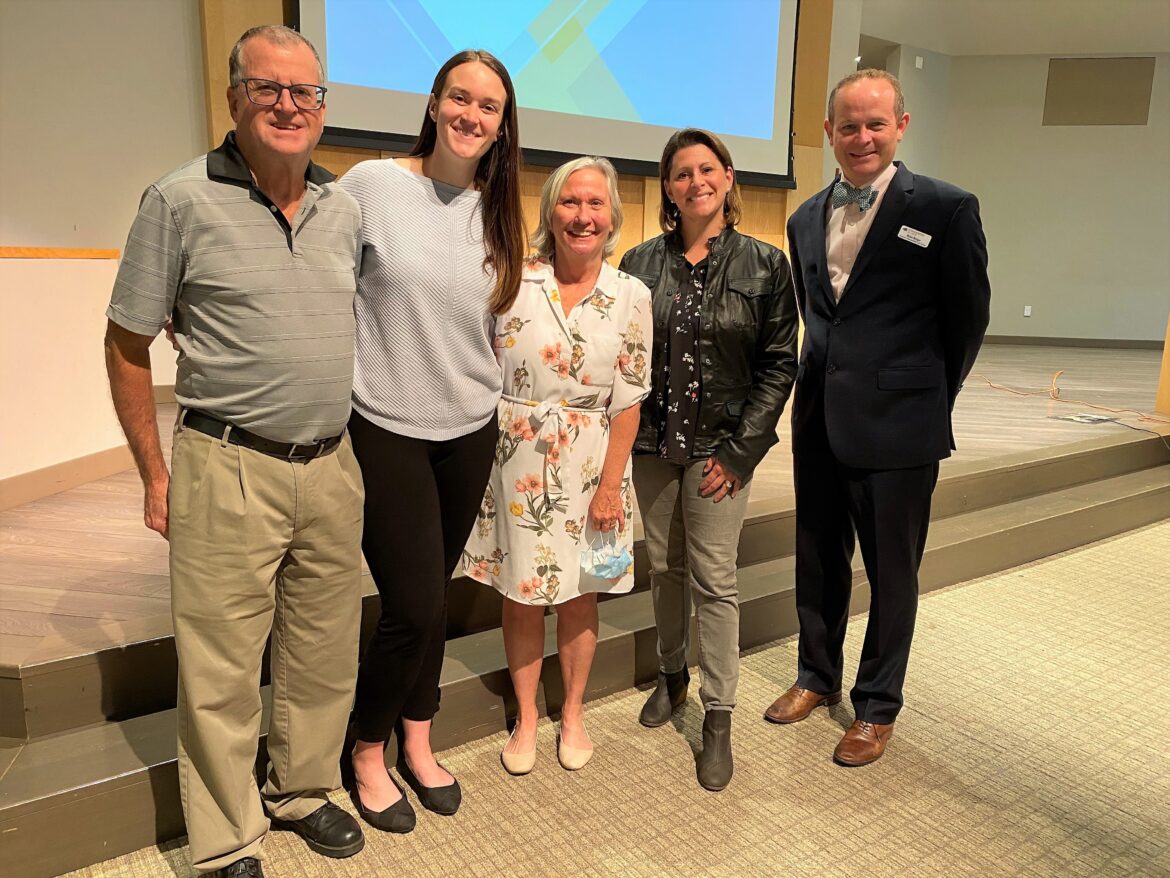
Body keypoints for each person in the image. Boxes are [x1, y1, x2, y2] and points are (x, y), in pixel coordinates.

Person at [104, 26, 365, 878]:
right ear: (234, 99)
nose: (287, 105)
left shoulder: (344, 208)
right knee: (219, 663)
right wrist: (155, 471)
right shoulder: (177, 201)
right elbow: (126, 341)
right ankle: (225, 839)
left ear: (323, 108)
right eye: (268, 88)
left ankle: (298, 792)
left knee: (321, 648)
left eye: (304, 92)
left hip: (332, 465)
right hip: (227, 462)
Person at [767, 70, 990, 766]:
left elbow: (968, 319)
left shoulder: (947, 209)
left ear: (901, 125)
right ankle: (815, 675)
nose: (862, 137)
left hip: (901, 426)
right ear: (829, 132)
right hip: (819, 420)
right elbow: (820, 316)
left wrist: (926, 398)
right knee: (817, 558)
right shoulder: (804, 217)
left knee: (892, 572)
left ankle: (876, 706)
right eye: (848, 125)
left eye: (875, 124)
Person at [336, 49, 525, 830]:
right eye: (460, 97)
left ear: (502, 126)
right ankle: (366, 748)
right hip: (384, 423)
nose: (471, 115)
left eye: (488, 106)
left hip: (469, 428)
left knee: (437, 599)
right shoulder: (374, 186)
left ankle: (419, 737)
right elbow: (315, 279)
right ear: (434, 101)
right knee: (410, 605)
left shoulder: (499, 211)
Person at [619, 129, 799, 791]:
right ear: (667, 187)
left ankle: (718, 715)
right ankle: (672, 679)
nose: (694, 182)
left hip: (721, 448)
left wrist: (744, 450)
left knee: (713, 577)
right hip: (652, 446)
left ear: (727, 176)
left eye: (706, 169)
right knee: (664, 567)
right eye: (680, 173)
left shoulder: (765, 265)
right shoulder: (638, 264)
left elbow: (779, 366)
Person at [462, 156, 652, 775]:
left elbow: (628, 401)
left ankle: (572, 714)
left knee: (580, 598)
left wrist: (608, 488)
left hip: (594, 466)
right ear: (549, 212)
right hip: (515, 463)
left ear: (613, 217)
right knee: (520, 596)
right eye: (570, 203)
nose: (582, 216)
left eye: (596, 205)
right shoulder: (511, 281)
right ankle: (524, 720)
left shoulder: (631, 295)